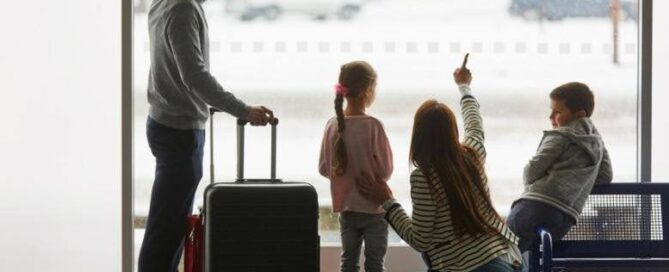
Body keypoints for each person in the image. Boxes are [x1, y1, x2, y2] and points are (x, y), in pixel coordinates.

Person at [138, 0, 275, 271]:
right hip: (180, 130)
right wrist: (243, 110)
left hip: (165, 121)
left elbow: (171, 66)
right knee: (166, 230)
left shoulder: (164, 3)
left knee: (166, 224)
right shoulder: (184, 8)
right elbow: (194, 76)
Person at [357, 58, 522, 272]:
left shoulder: (423, 176)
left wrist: (387, 202)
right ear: (452, 130)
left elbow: (420, 241)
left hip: (464, 267)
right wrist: (464, 86)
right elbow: (474, 123)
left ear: (419, 136)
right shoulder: (473, 153)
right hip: (506, 259)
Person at [506, 82, 613, 253]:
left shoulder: (560, 136)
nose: (551, 117)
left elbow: (530, 173)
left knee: (503, 253)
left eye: (557, 111)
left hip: (535, 206)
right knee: (519, 258)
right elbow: (605, 176)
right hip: (564, 219)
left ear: (578, 114)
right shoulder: (596, 142)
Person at [319, 61, 394, 272]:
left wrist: (344, 178)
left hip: (347, 210)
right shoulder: (373, 126)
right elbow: (386, 171)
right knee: (375, 264)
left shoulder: (332, 125)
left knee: (348, 263)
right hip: (374, 210)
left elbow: (324, 168)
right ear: (366, 91)